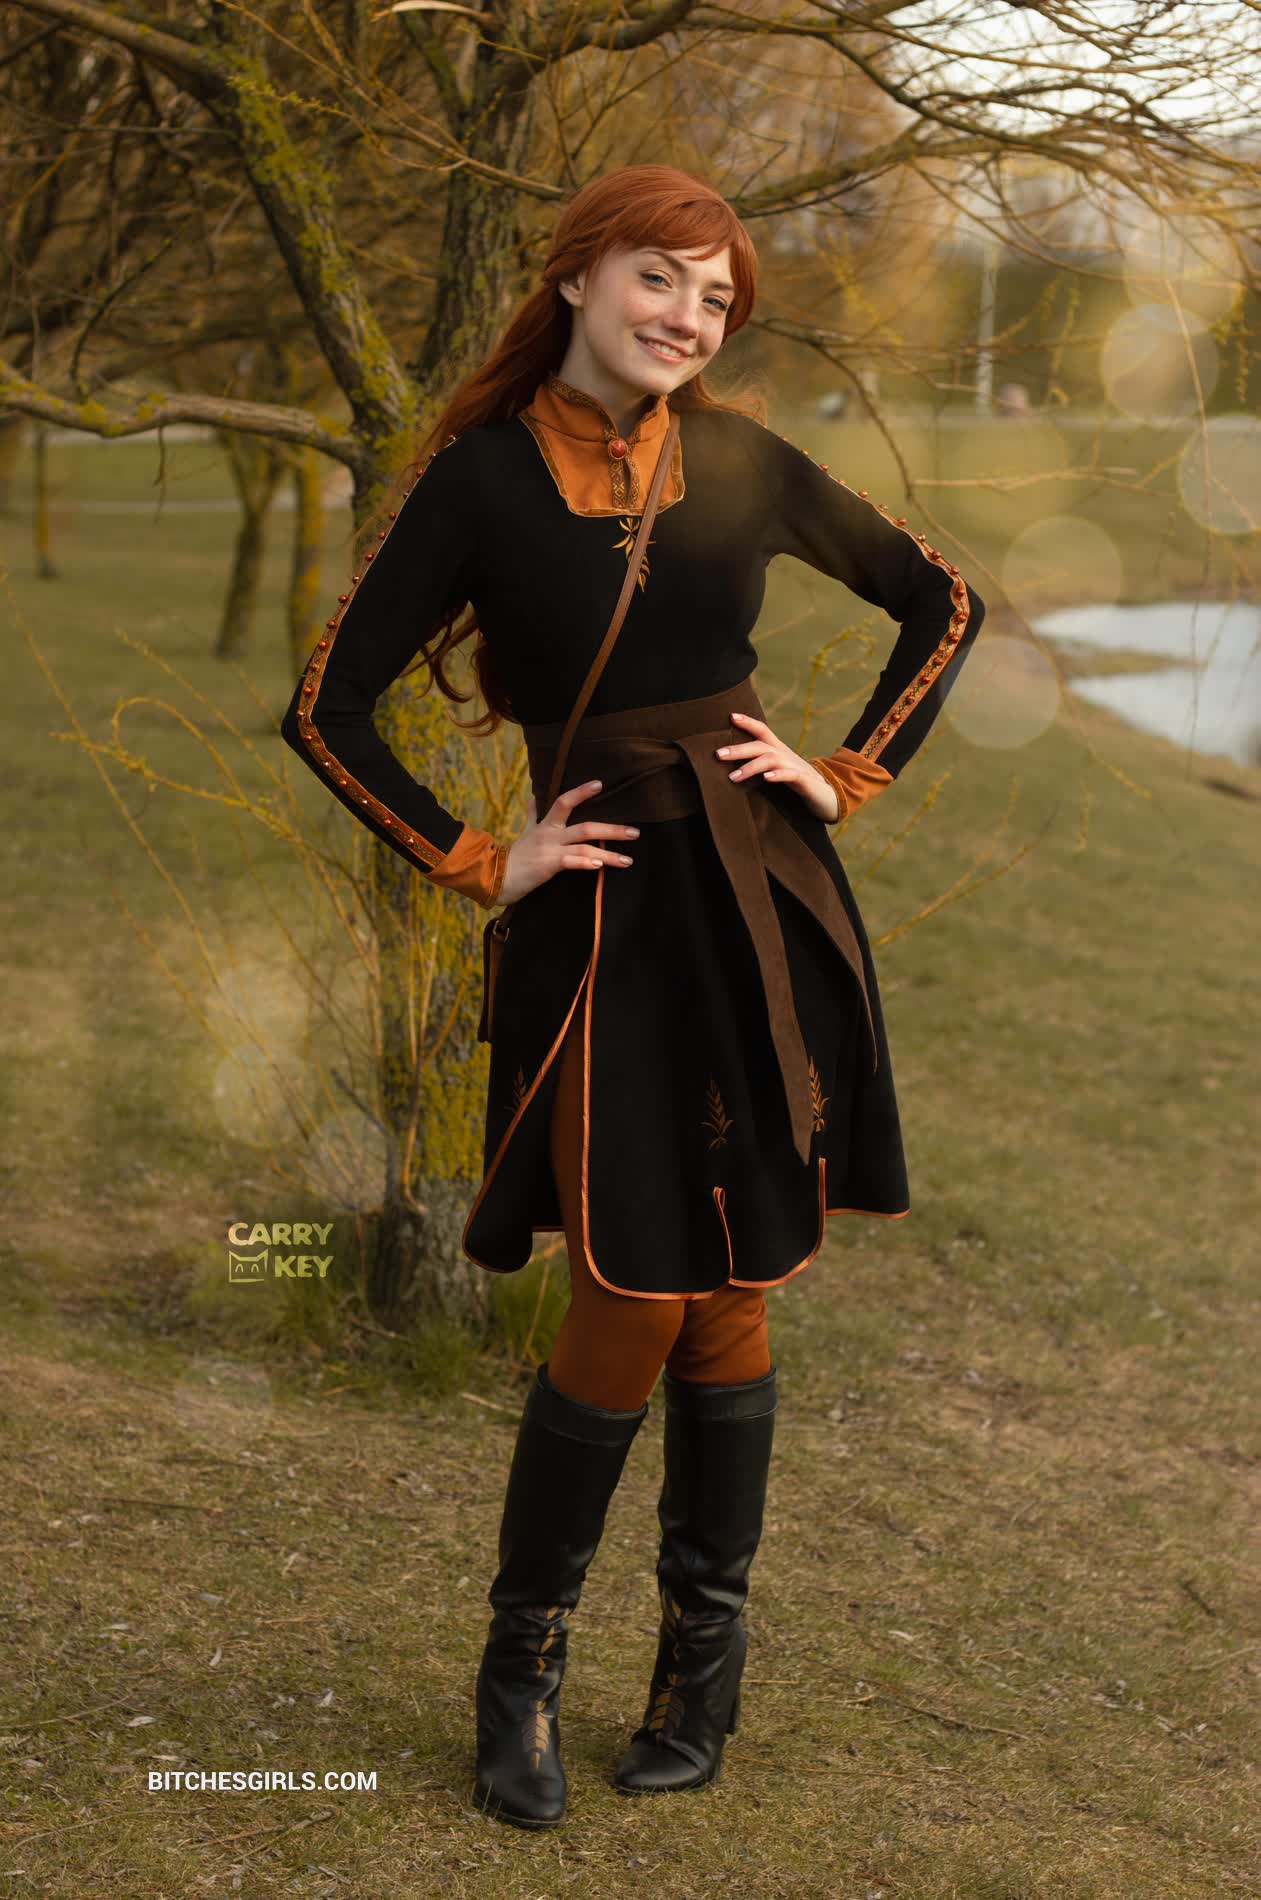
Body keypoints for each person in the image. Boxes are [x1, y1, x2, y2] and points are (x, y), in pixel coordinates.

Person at [280, 163, 986, 1831]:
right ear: (579, 277)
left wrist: (840, 773)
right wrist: (483, 856)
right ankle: (519, 1673)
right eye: (660, 278)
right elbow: (326, 708)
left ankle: (698, 1666)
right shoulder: (476, 481)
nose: (686, 316)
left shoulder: (739, 459)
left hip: (757, 904)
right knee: (628, 1283)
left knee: (730, 1283)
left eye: (716, 297)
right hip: (598, 924)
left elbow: (941, 601)